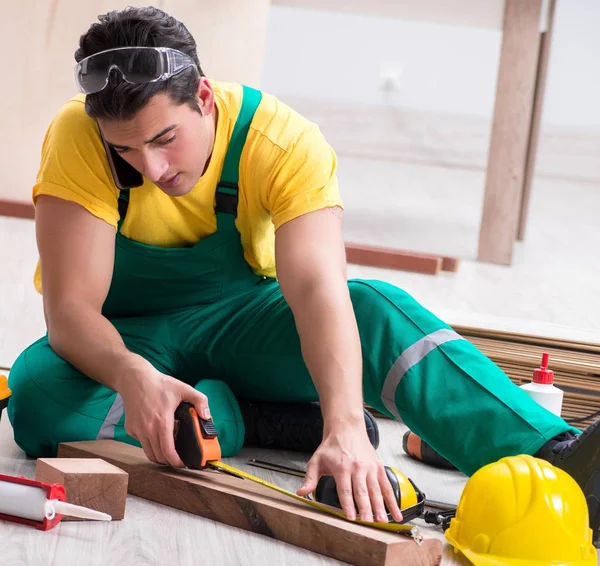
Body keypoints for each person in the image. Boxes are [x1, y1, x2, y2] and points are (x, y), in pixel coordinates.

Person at [7, 6, 600, 538]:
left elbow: (318, 289)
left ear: (205, 98)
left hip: (239, 328)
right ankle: (253, 417)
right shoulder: (78, 137)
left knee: (372, 308)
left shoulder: (281, 140)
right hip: (127, 339)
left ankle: (554, 454)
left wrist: (343, 426)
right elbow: (72, 311)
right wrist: (136, 377)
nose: (153, 167)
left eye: (165, 139)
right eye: (127, 151)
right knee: (35, 396)